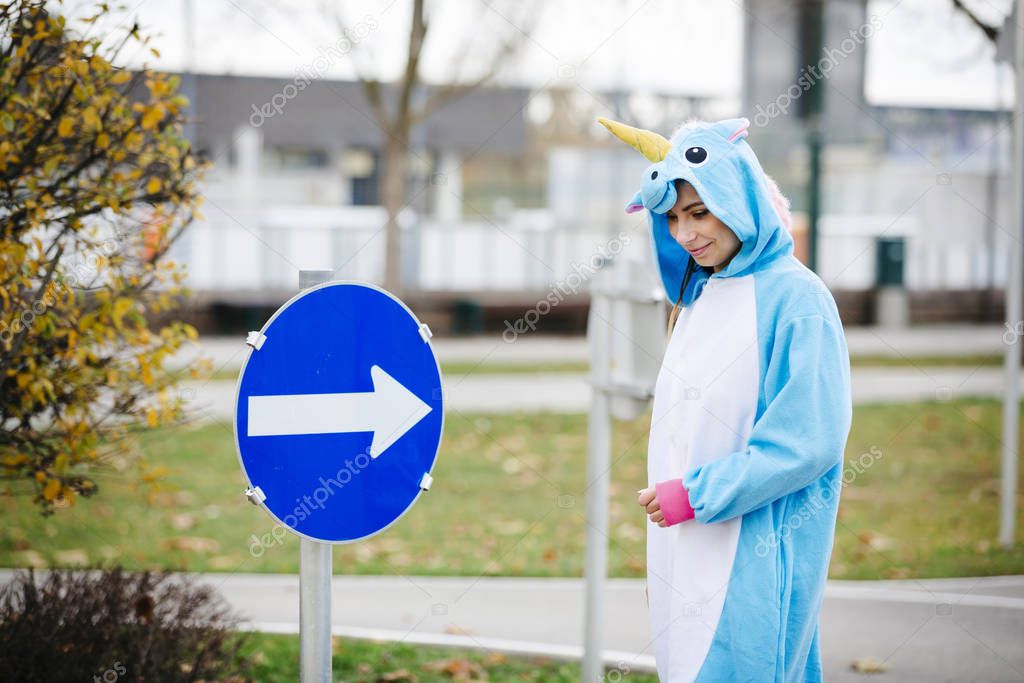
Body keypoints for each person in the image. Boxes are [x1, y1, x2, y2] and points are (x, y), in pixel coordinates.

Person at [599, 115, 853, 682]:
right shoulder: (700, 295)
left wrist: (696, 493)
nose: (684, 234)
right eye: (671, 218)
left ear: (739, 197)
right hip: (684, 549)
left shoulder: (798, 300)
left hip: (752, 555)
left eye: (698, 212)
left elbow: (807, 442)